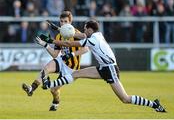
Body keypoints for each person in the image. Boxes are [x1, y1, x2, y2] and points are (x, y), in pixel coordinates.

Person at [37, 20, 166, 113]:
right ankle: (49, 85)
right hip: (103, 67)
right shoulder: (96, 35)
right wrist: (59, 29)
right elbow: (76, 35)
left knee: (125, 99)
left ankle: (154, 104)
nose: (84, 31)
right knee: (76, 74)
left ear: (90, 29)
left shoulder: (93, 39)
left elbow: (70, 43)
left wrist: (51, 41)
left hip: (110, 69)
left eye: (85, 29)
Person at [22, 11, 88, 111]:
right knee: (46, 68)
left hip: (72, 69)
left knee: (53, 90)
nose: (63, 23)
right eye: (61, 21)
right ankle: (32, 88)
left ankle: (56, 102)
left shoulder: (76, 33)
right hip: (62, 61)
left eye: (65, 21)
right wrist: (45, 45)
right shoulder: (58, 36)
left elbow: (86, 48)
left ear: (70, 22)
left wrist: (72, 54)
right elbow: (55, 54)